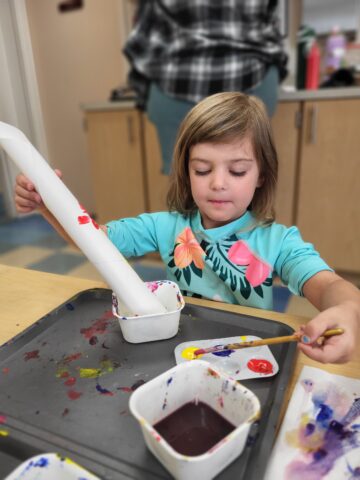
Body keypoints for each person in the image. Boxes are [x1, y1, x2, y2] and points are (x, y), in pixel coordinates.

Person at [14, 92, 359, 364]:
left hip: (245, 357)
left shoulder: (278, 241)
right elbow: (95, 240)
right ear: (185, 171)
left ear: (261, 176)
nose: (218, 183)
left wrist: (347, 310)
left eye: (237, 171)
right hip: (177, 351)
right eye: (202, 169)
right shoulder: (166, 226)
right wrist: (48, 205)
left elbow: (328, 286)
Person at [124, 0, 288, 174]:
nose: (217, 185)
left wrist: (143, 91)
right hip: (244, 78)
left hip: (180, 83)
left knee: (193, 185)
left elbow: (144, 33)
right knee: (228, 181)